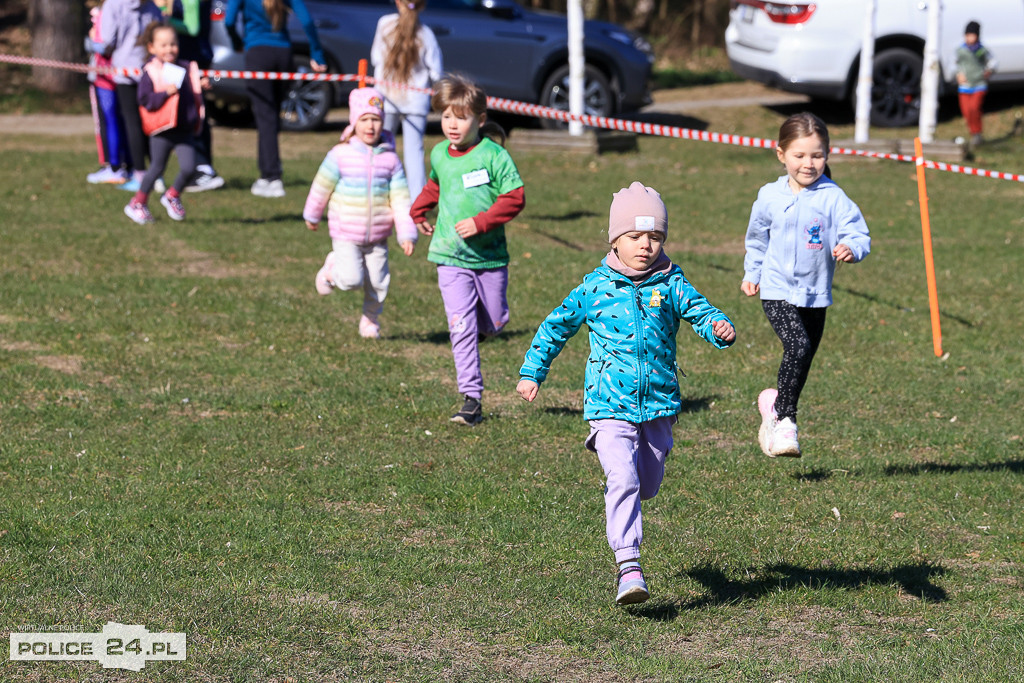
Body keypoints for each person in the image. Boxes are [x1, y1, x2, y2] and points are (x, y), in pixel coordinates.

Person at [517, 182, 736, 606]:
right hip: (608, 405)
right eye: (635, 236)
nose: (645, 245)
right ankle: (628, 566)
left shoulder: (671, 282)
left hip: (658, 404)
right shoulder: (594, 288)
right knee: (624, 479)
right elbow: (554, 328)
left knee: (646, 484)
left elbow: (701, 311)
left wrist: (718, 328)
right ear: (614, 239)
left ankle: (631, 495)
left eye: (654, 236)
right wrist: (533, 372)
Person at [741, 112, 871, 458]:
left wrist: (851, 247)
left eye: (817, 155)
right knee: (797, 347)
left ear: (827, 155)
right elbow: (757, 239)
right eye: (799, 155)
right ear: (781, 154)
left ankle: (774, 406)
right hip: (776, 289)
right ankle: (786, 422)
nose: (808, 163)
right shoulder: (769, 195)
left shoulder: (834, 198)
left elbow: (857, 232)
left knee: (803, 359)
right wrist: (752, 273)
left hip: (816, 293)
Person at [410, 75, 525, 426]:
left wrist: (482, 222)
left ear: (480, 119)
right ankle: (471, 399)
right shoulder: (439, 153)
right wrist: (419, 210)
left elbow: (515, 197)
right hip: (449, 255)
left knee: (495, 321)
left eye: (460, 118)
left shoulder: (494, 155)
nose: (451, 125)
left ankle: (482, 328)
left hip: (490, 257)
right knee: (460, 326)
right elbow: (435, 184)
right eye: (446, 116)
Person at [303, 88, 418, 339]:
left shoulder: (391, 159)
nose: (370, 126)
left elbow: (400, 199)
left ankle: (370, 320)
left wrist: (407, 233)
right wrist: (312, 214)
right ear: (354, 122)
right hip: (346, 233)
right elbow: (321, 186)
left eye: (376, 119)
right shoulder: (340, 154)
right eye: (364, 119)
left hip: (378, 236)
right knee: (351, 280)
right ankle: (331, 270)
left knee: (378, 282)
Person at [225, 0, 327, 198]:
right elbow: (307, 20)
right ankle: (267, 174)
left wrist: (236, 42)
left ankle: (272, 177)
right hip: (283, 56)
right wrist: (317, 53)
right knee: (270, 117)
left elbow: (229, 21)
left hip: (257, 55)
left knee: (266, 118)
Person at [124, 21, 205, 224]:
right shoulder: (150, 72)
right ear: (152, 48)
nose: (169, 49)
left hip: (184, 129)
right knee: (156, 169)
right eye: (164, 45)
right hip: (161, 130)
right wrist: (164, 94)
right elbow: (145, 100)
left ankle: (172, 195)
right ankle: (137, 203)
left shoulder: (186, 67)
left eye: (173, 44)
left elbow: (194, 90)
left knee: (189, 168)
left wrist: (202, 83)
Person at [370, 0, 443, 199]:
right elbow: (437, 72)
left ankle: (377, 195)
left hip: (386, 98)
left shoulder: (384, 24)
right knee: (414, 153)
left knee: (381, 149)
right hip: (416, 101)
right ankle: (417, 203)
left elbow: (375, 57)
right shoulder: (426, 34)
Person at [96, 0, 164, 192]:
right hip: (149, 71)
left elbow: (107, 41)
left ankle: (140, 175)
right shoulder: (151, 5)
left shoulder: (113, 5)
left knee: (132, 123)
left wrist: (92, 43)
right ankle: (157, 175)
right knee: (150, 124)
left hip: (125, 72)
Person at [161, 0, 225, 191]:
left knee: (193, 114)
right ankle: (200, 168)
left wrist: (165, 21)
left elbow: (193, 27)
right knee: (194, 112)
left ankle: (202, 168)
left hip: (193, 58)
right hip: (194, 58)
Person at [85, 1, 129, 185]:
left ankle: (114, 167)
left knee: (109, 121)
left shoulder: (109, 11)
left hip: (106, 75)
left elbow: (105, 45)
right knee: (122, 121)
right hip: (124, 73)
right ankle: (125, 165)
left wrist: (89, 42)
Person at [955, 20, 998, 148]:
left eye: (972, 35)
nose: (970, 38)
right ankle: (973, 133)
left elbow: (993, 62)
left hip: (979, 84)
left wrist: (989, 71)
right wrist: (958, 74)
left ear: (977, 36)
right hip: (965, 86)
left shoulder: (981, 50)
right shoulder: (960, 50)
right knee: (966, 111)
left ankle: (977, 133)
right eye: (967, 35)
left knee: (974, 108)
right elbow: (953, 64)